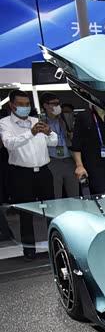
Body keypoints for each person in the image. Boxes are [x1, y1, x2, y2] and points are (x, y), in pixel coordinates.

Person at [0, 90, 57, 258]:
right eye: (21, 104)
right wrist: (31, 133)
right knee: (26, 213)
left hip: (43, 171)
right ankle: (29, 250)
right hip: (21, 174)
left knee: (51, 210)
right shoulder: (5, 123)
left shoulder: (36, 120)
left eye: (27, 104)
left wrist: (49, 132)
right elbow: (9, 143)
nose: (25, 107)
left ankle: (55, 245)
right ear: (12, 105)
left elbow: (53, 142)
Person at [71, 104, 105, 195]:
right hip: (93, 164)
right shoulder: (84, 116)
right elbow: (77, 143)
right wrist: (79, 165)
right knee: (101, 192)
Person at [39, 92, 78, 199]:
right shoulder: (40, 122)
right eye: (54, 104)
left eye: (58, 103)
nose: (58, 106)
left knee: (74, 194)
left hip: (69, 159)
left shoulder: (65, 119)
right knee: (55, 195)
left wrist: (72, 135)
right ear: (45, 105)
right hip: (52, 161)